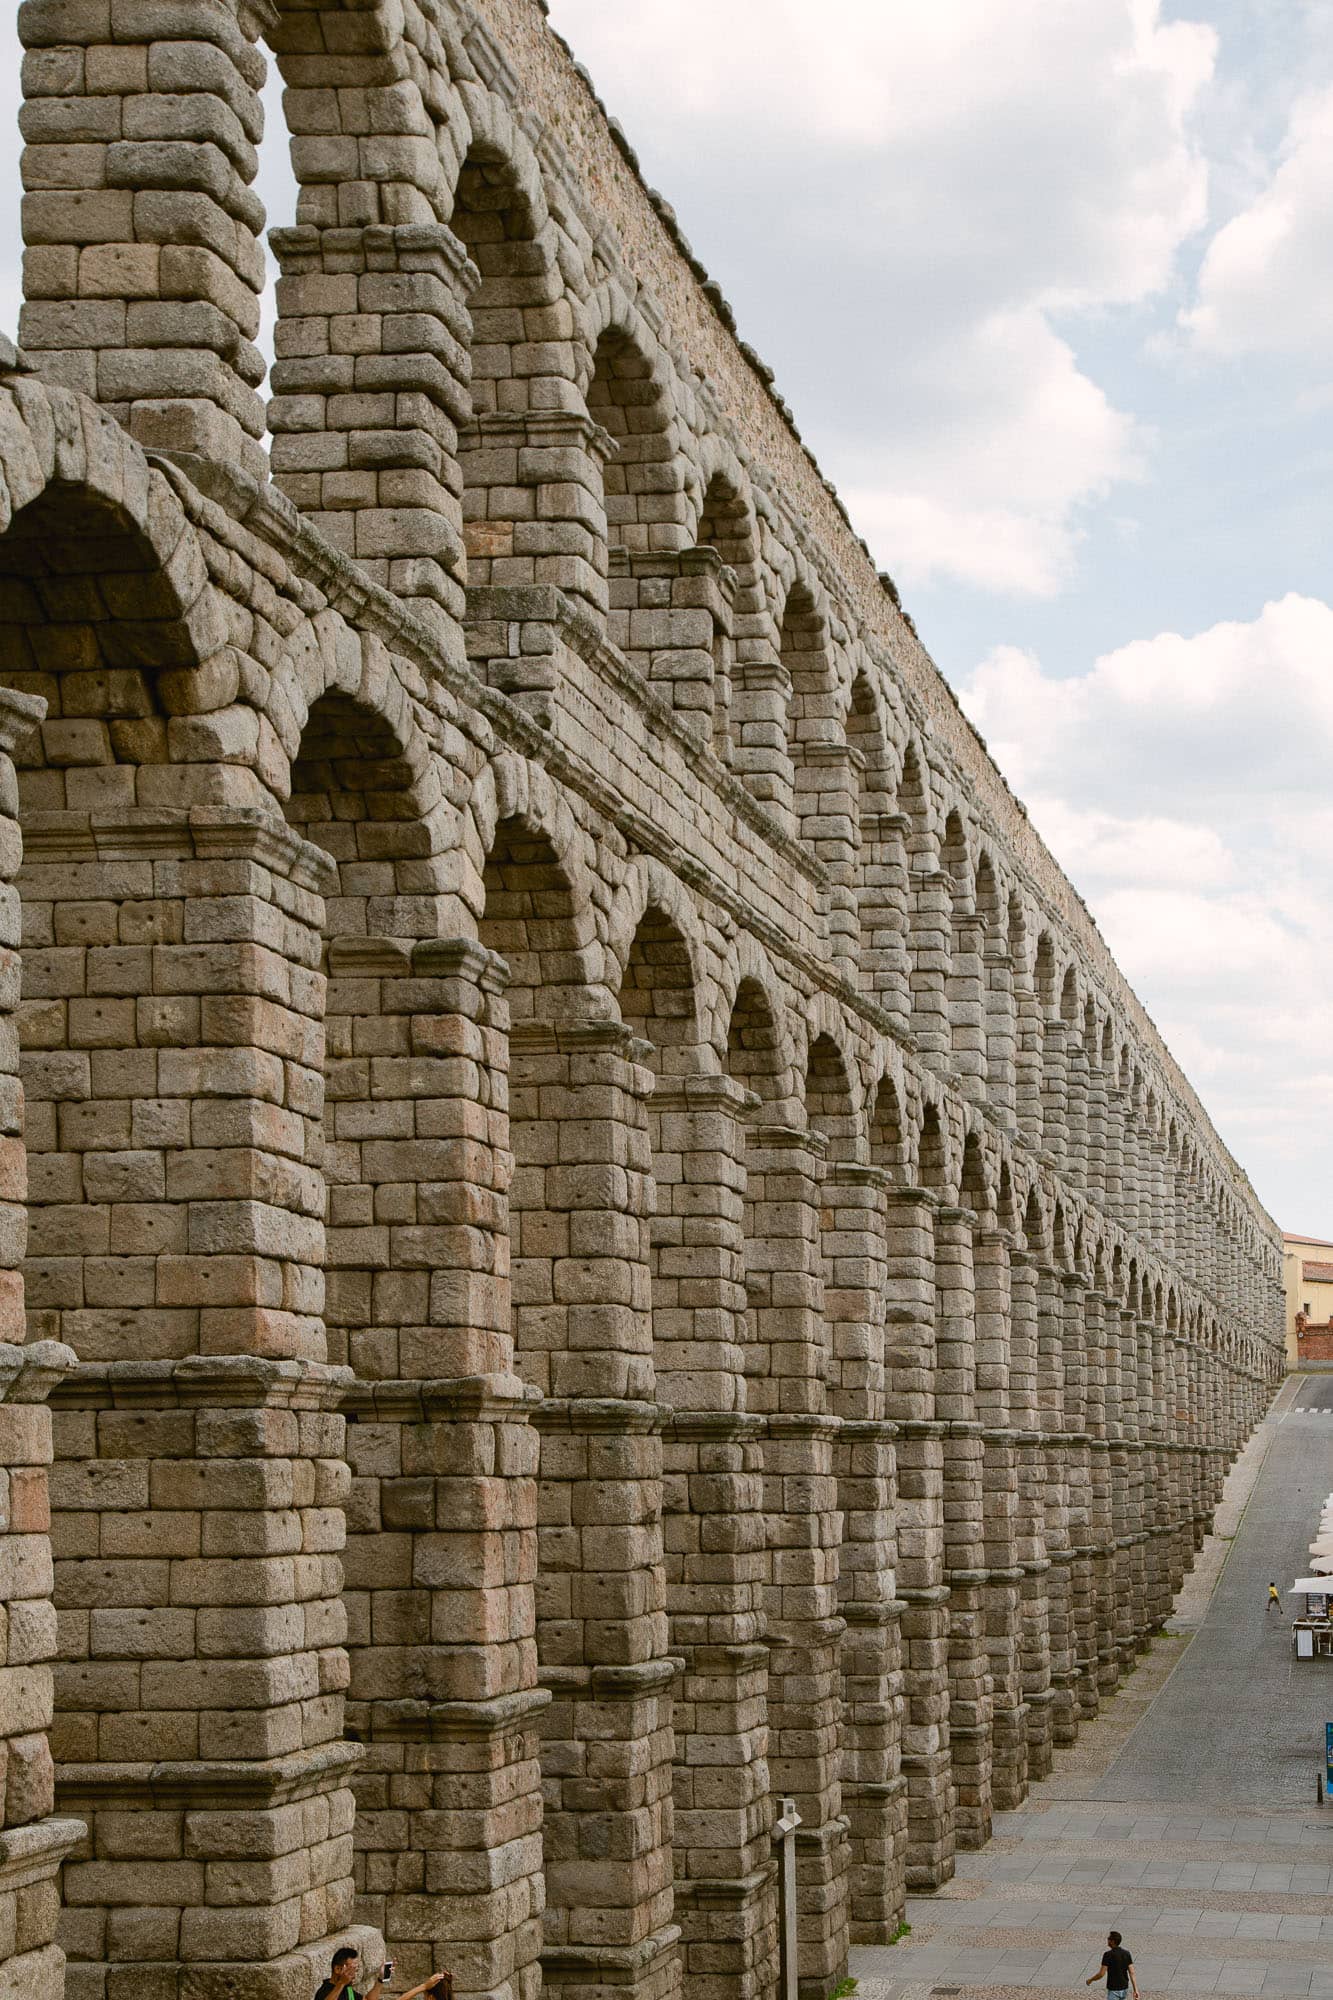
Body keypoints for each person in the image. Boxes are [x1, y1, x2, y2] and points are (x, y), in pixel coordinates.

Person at [315, 1945, 450, 2000]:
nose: (354, 1974)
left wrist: (380, 1979)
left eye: (356, 1970)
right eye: (351, 1969)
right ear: (338, 1969)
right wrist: (423, 1987)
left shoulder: (348, 1990)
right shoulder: (324, 1991)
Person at [1087, 1930, 1138, 2000]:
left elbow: (1101, 1974)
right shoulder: (1127, 1953)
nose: (1107, 1940)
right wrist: (1136, 1990)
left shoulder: (1108, 1955)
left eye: (1109, 1939)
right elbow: (1132, 1973)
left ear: (1113, 1941)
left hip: (1114, 1989)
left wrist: (1091, 1980)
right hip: (1124, 1988)